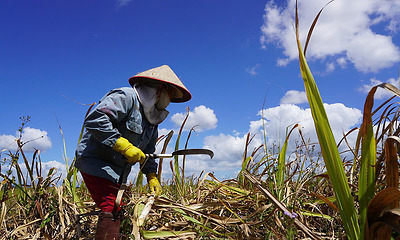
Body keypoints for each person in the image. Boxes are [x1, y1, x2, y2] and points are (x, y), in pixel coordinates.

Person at [75, 65, 191, 240]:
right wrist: (123, 145)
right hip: (96, 162)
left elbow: (149, 151)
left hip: (118, 172)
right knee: (111, 208)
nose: (170, 101)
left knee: (123, 206)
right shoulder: (126, 97)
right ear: (161, 90)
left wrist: (151, 176)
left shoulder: (152, 119)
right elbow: (96, 119)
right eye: (171, 95)